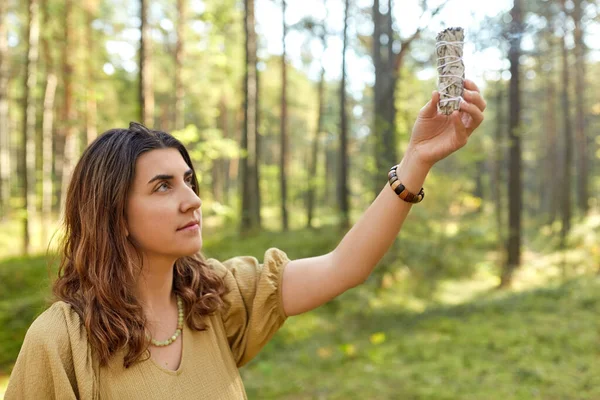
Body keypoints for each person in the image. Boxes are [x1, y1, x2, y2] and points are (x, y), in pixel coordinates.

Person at [5, 80, 485, 399]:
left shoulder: (215, 298)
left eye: (188, 180)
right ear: (112, 212)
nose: (192, 199)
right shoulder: (61, 341)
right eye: (163, 186)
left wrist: (417, 160)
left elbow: (345, 266)